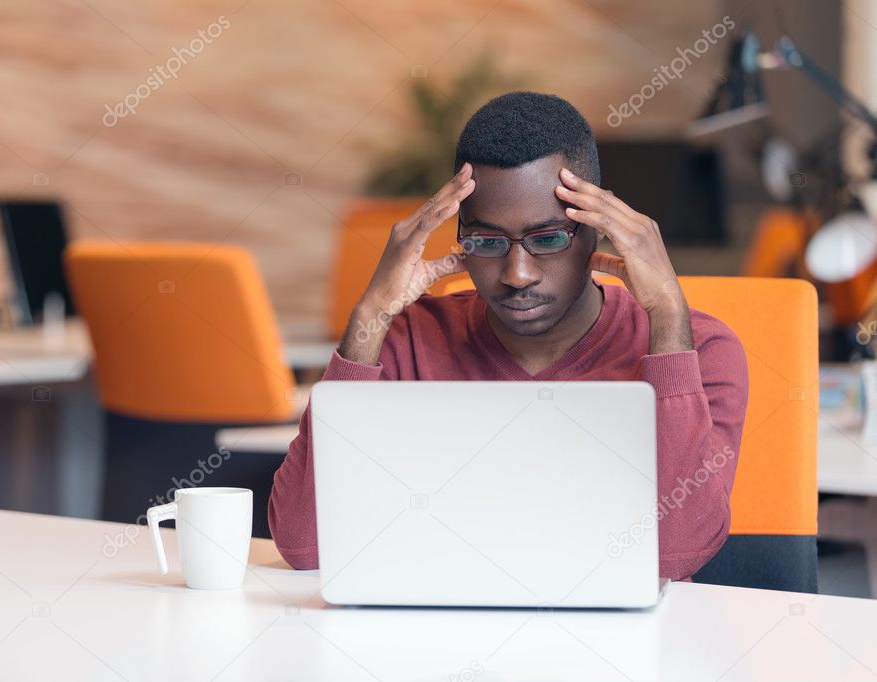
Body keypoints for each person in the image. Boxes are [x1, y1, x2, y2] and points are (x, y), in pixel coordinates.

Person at [269, 91, 749, 581]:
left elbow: (675, 555)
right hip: (429, 638)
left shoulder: (700, 350)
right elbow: (306, 544)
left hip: (623, 649)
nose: (517, 274)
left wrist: (668, 315)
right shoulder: (404, 342)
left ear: (599, 230)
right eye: (487, 242)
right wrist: (371, 314)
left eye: (546, 239)